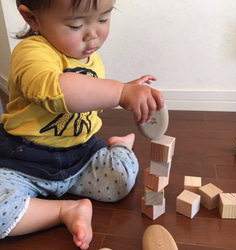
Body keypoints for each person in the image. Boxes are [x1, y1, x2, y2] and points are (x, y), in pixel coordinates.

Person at [0, 0, 164, 249]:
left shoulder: (90, 58)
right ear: (32, 18)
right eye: (76, 25)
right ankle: (63, 210)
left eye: (103, 19)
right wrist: (119, 91)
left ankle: (120, 146)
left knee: (122, 181)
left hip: (81, 156)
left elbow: (88, 102)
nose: (93, 35)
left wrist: (126, 91)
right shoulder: (31, 52)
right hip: (26, 160)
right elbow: (56, 92)